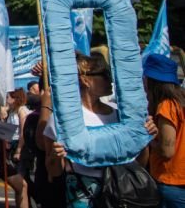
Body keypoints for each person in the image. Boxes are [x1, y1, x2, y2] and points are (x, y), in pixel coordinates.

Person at [44, 54, 158, 207]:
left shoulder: (121, 115)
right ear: (86, 80)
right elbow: (54, 172)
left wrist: (143, 138)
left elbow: (139, 163)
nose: (110, 78)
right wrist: (56, 155)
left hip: (121, 192)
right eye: (104, 73)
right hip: (83, 194)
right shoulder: (63, 120)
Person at [143, 54, 185, 207]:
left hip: (172, 181)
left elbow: (167, 150)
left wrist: (149, 138)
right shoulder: (181, 101)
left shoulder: (167, 105)